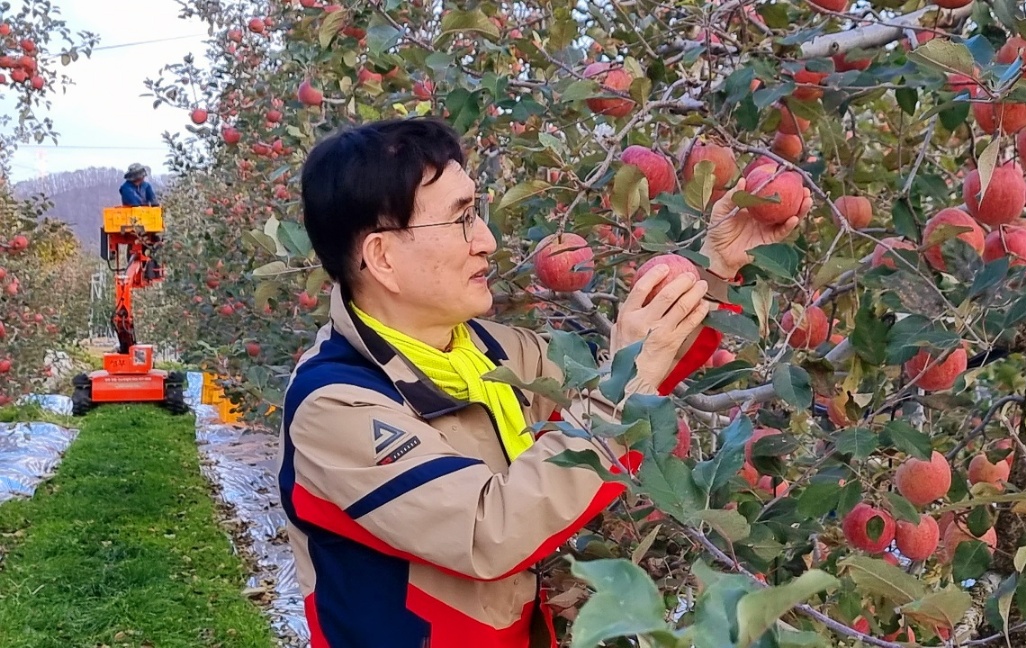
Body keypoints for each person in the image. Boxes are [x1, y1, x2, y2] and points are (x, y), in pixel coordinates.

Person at [281, 117, 807, 647]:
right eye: (461, 219)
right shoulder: (336, 405)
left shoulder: (496, 351)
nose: (487, 241)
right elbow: (488, 532)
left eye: (477, 213)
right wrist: (624, 383)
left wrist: (714, 267)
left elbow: (622, 388)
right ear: (383, 257)